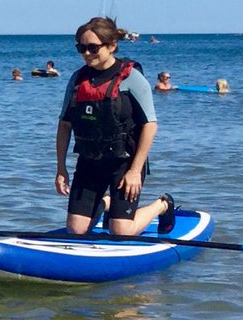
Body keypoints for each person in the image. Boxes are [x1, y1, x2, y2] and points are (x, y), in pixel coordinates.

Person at [55, 16, 172, 237]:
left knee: (120, 231)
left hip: (124, 162)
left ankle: (163, 204)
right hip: (90, 161)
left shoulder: (133, 79)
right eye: (81, 47)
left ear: (112, 46)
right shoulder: (77, 80)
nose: (86, 53)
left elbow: (150, 125)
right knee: (76, 230)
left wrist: (135, 171)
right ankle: (107, 203)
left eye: (93, 47)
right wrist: (61, 168)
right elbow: (64, 125)